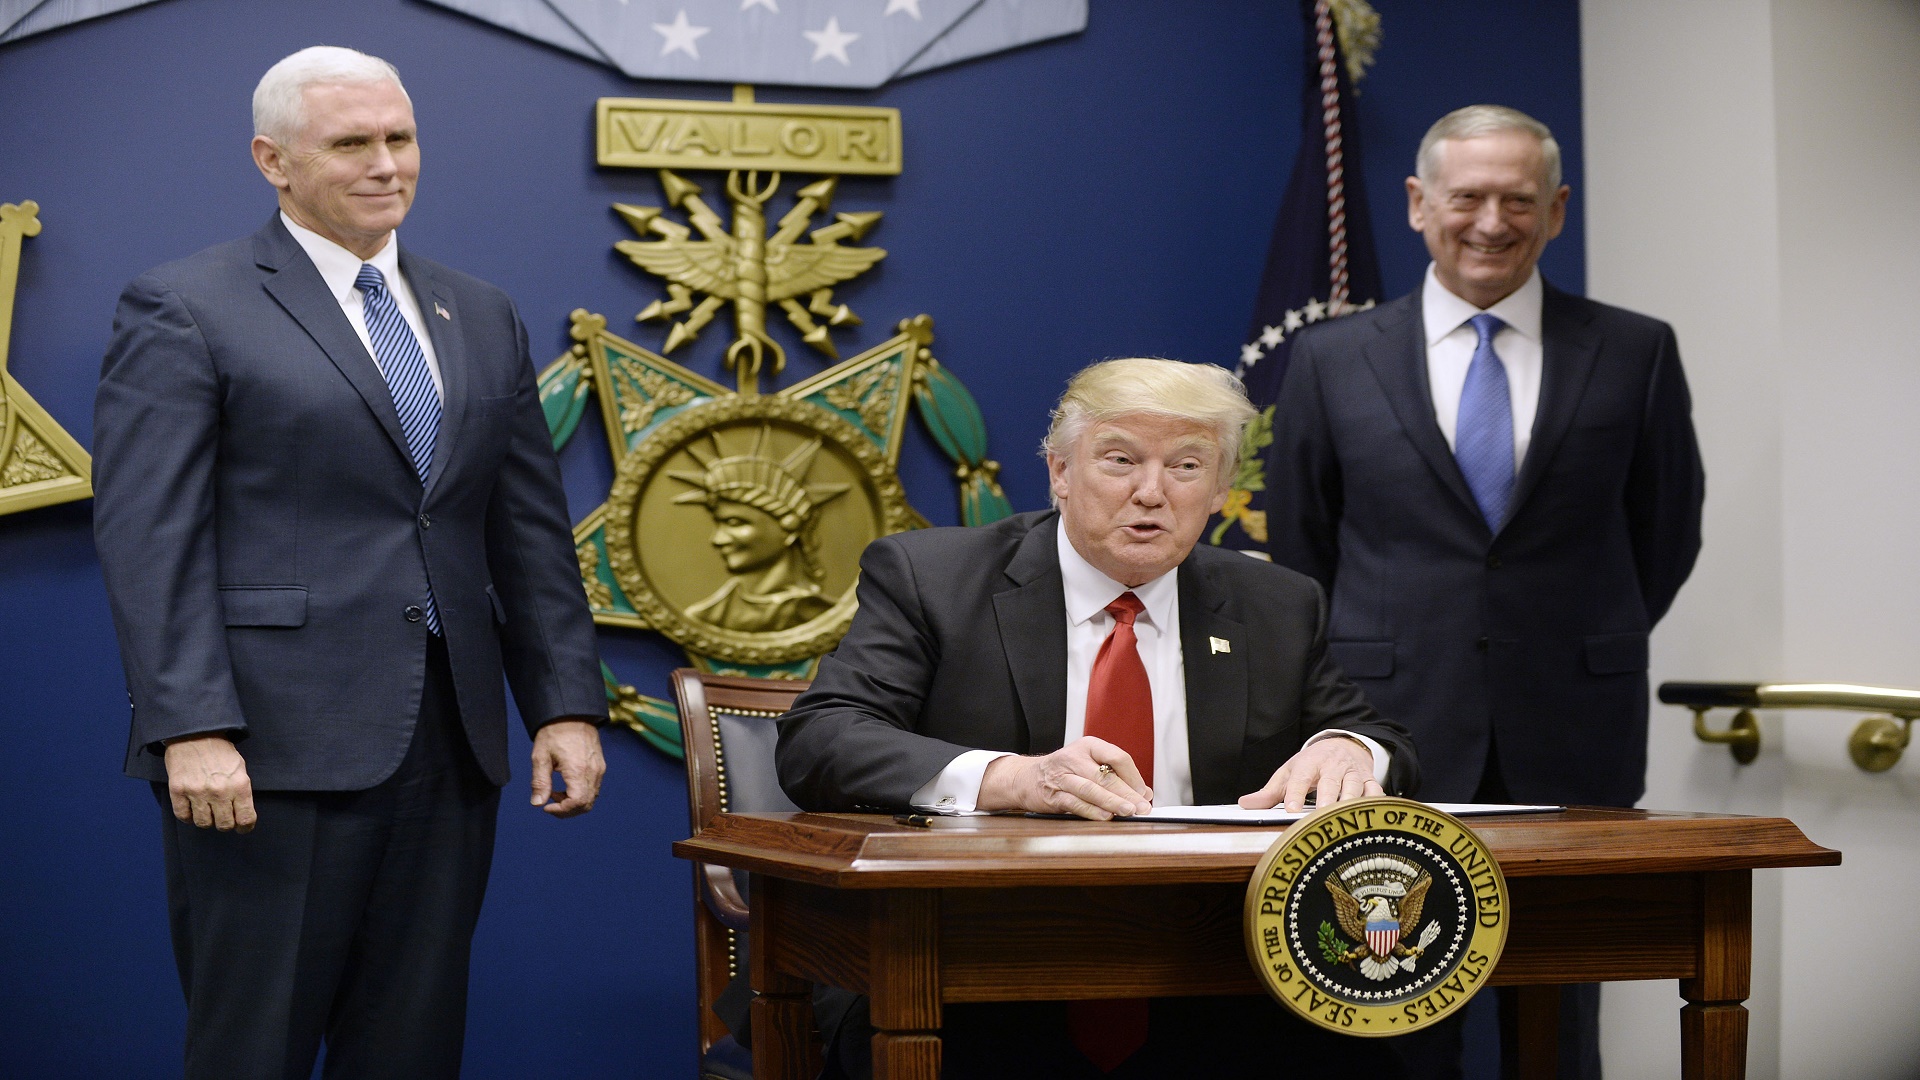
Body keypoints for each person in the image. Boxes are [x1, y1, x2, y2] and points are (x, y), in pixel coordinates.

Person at [92, 47, 608, 1080]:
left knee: (412, 1051)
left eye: (400, 138)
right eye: (351, 144)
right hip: (263, 757)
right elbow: (151, 539)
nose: (386, 165)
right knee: (256, 1049)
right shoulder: (185, 304)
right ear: (272, 160)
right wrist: (191, 725)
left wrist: (563, 705)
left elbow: (527, 535)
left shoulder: (482, 310)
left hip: (449, 749)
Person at [774, 356, 1420, 1079]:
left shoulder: (1276, 603)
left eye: (1185, 466)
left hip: (1214, 973)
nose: (1151, 493)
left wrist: (1347, 749)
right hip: (969, 966)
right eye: (1120, 460)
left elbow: (1380, 738)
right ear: (1059, 472)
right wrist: (1011, 780)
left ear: (1219, 491)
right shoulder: (931, 578)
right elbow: (822, 739)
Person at [1265, 105, 1706, 1080]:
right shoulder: (1335, 359)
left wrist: (1585, 633)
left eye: (1519, 199)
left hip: (1574, 729)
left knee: (1559, 1020)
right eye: (1468, 197)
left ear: (1556, 211)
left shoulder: (1634, 350)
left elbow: (1664, 531)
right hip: (1389, 727)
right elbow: (1300, 550)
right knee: (1392, 998)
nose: (1491, 221)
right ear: (1421, 205)